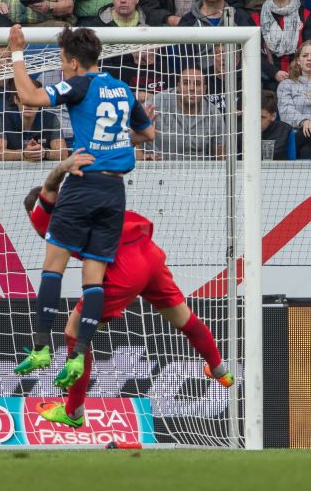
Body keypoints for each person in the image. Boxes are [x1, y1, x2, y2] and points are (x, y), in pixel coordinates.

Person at [25, 150, 233, 428]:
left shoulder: (43, 217)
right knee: (184, 319)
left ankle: (73, 411)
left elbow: (49, 199)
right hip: (148, 252)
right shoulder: (85, 199)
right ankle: (220, 370)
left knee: (73, 331)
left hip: (124, 265)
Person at [8, 25, 154, 388]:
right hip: (115, 191)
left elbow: (28, 96)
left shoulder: (79, 85)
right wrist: (114, 145)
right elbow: (147, 133)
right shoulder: (121, 87)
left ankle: (41, 346)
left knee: (53, 267)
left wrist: (16, 53)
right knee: (94, 279)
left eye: (61, 61)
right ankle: (78, 355)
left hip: (84, 183)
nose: (61, 67)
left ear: (73, 63)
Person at [250, 0, 311, 91]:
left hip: (301, 78)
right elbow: (253, 54)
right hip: (267, 81)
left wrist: (294, 73)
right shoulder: (256, 18)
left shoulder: (306, 16)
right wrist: (274, 72)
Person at [148, 65, 225, 160]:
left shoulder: (214, 114)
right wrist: (141, 157)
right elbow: (130, 130)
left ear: (204, 89)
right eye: (186, 83)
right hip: (158, 170)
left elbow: (221, 158)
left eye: (197, 84)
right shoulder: (156, 104)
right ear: (178, 87)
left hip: (197, 172)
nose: (191, 88)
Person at [0, 81, 66, 161]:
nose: (28, 103)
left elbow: (63, 154)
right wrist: (23, 154)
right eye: (24, 98)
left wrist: (44, 153)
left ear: (40, 100)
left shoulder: (51, 119)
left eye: (33, 98)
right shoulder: (2, 120)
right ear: (16, 99)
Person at [260, 89, 293, 160]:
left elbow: (269, 159)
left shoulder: (284, 130)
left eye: (262, 117)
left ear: (273, 116)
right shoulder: (238, 129)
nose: (257, 122)